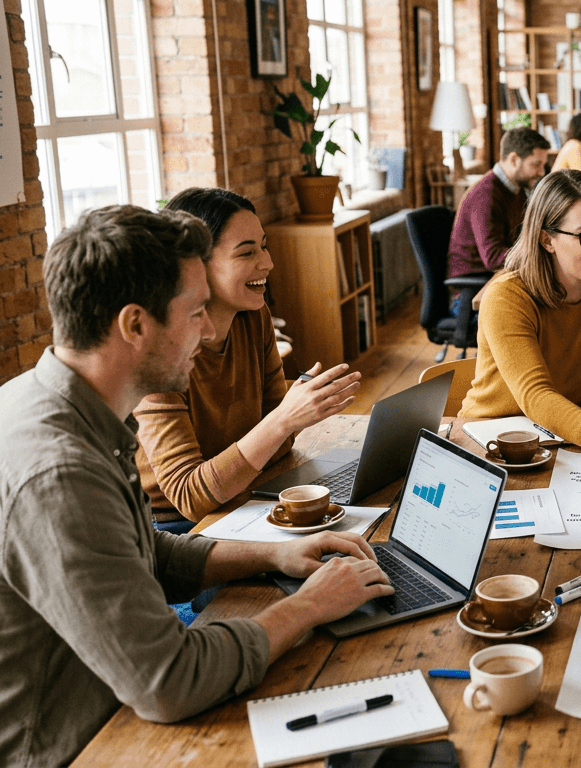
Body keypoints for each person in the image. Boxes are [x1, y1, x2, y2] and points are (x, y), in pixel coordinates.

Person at [0, 205, 392, 767]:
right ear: (134, 325)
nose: (209, 331)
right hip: (84, 744)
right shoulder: (59, 473)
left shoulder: (57, 403)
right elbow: (170, 680)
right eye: (195, 312)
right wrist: (307, 607)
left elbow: (144, 551)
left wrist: (277, 556)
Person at [135, 188, 363, 527]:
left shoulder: (254, 318)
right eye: (247, 253)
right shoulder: (156, 353)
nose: (267, 262)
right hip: (175, 527)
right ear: (195, 267)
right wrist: (285, 418)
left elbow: (280, 446)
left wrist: (293, 415)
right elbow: (189, 498)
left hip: (247, 492)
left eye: (264, 245)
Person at [460, 170, 581, 470]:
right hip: (491, 448)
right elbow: (537, 396)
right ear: (546, 239)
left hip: (566, 443)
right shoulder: (506, 296)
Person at [448, 126, 550, 280]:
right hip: (475, 281)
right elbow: (493, 257)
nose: (542, 172)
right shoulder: (486, 195)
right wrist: (540, 258)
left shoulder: (518, 189)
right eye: (536, 164)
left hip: (499, 274)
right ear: (514, 159)